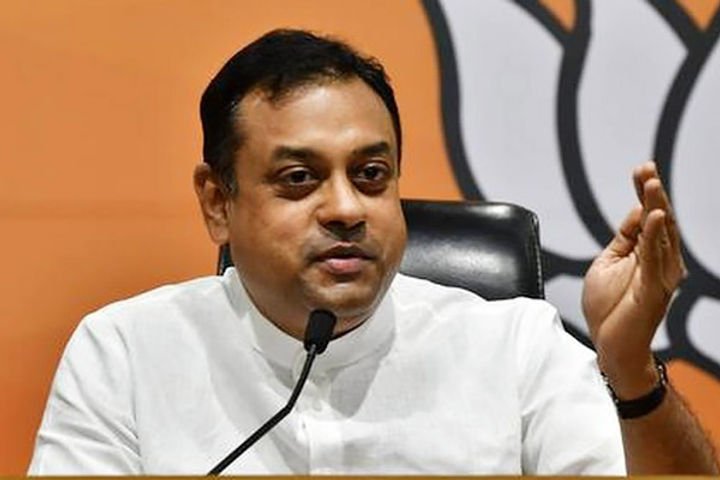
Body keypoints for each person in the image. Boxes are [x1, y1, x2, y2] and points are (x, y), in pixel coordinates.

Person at [28, 29, 718, 475]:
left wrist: (629, 368)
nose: (347, 209)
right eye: (299, 179)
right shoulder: (125, 355)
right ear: (217, 202)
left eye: (371, 175)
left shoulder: (516, 347)